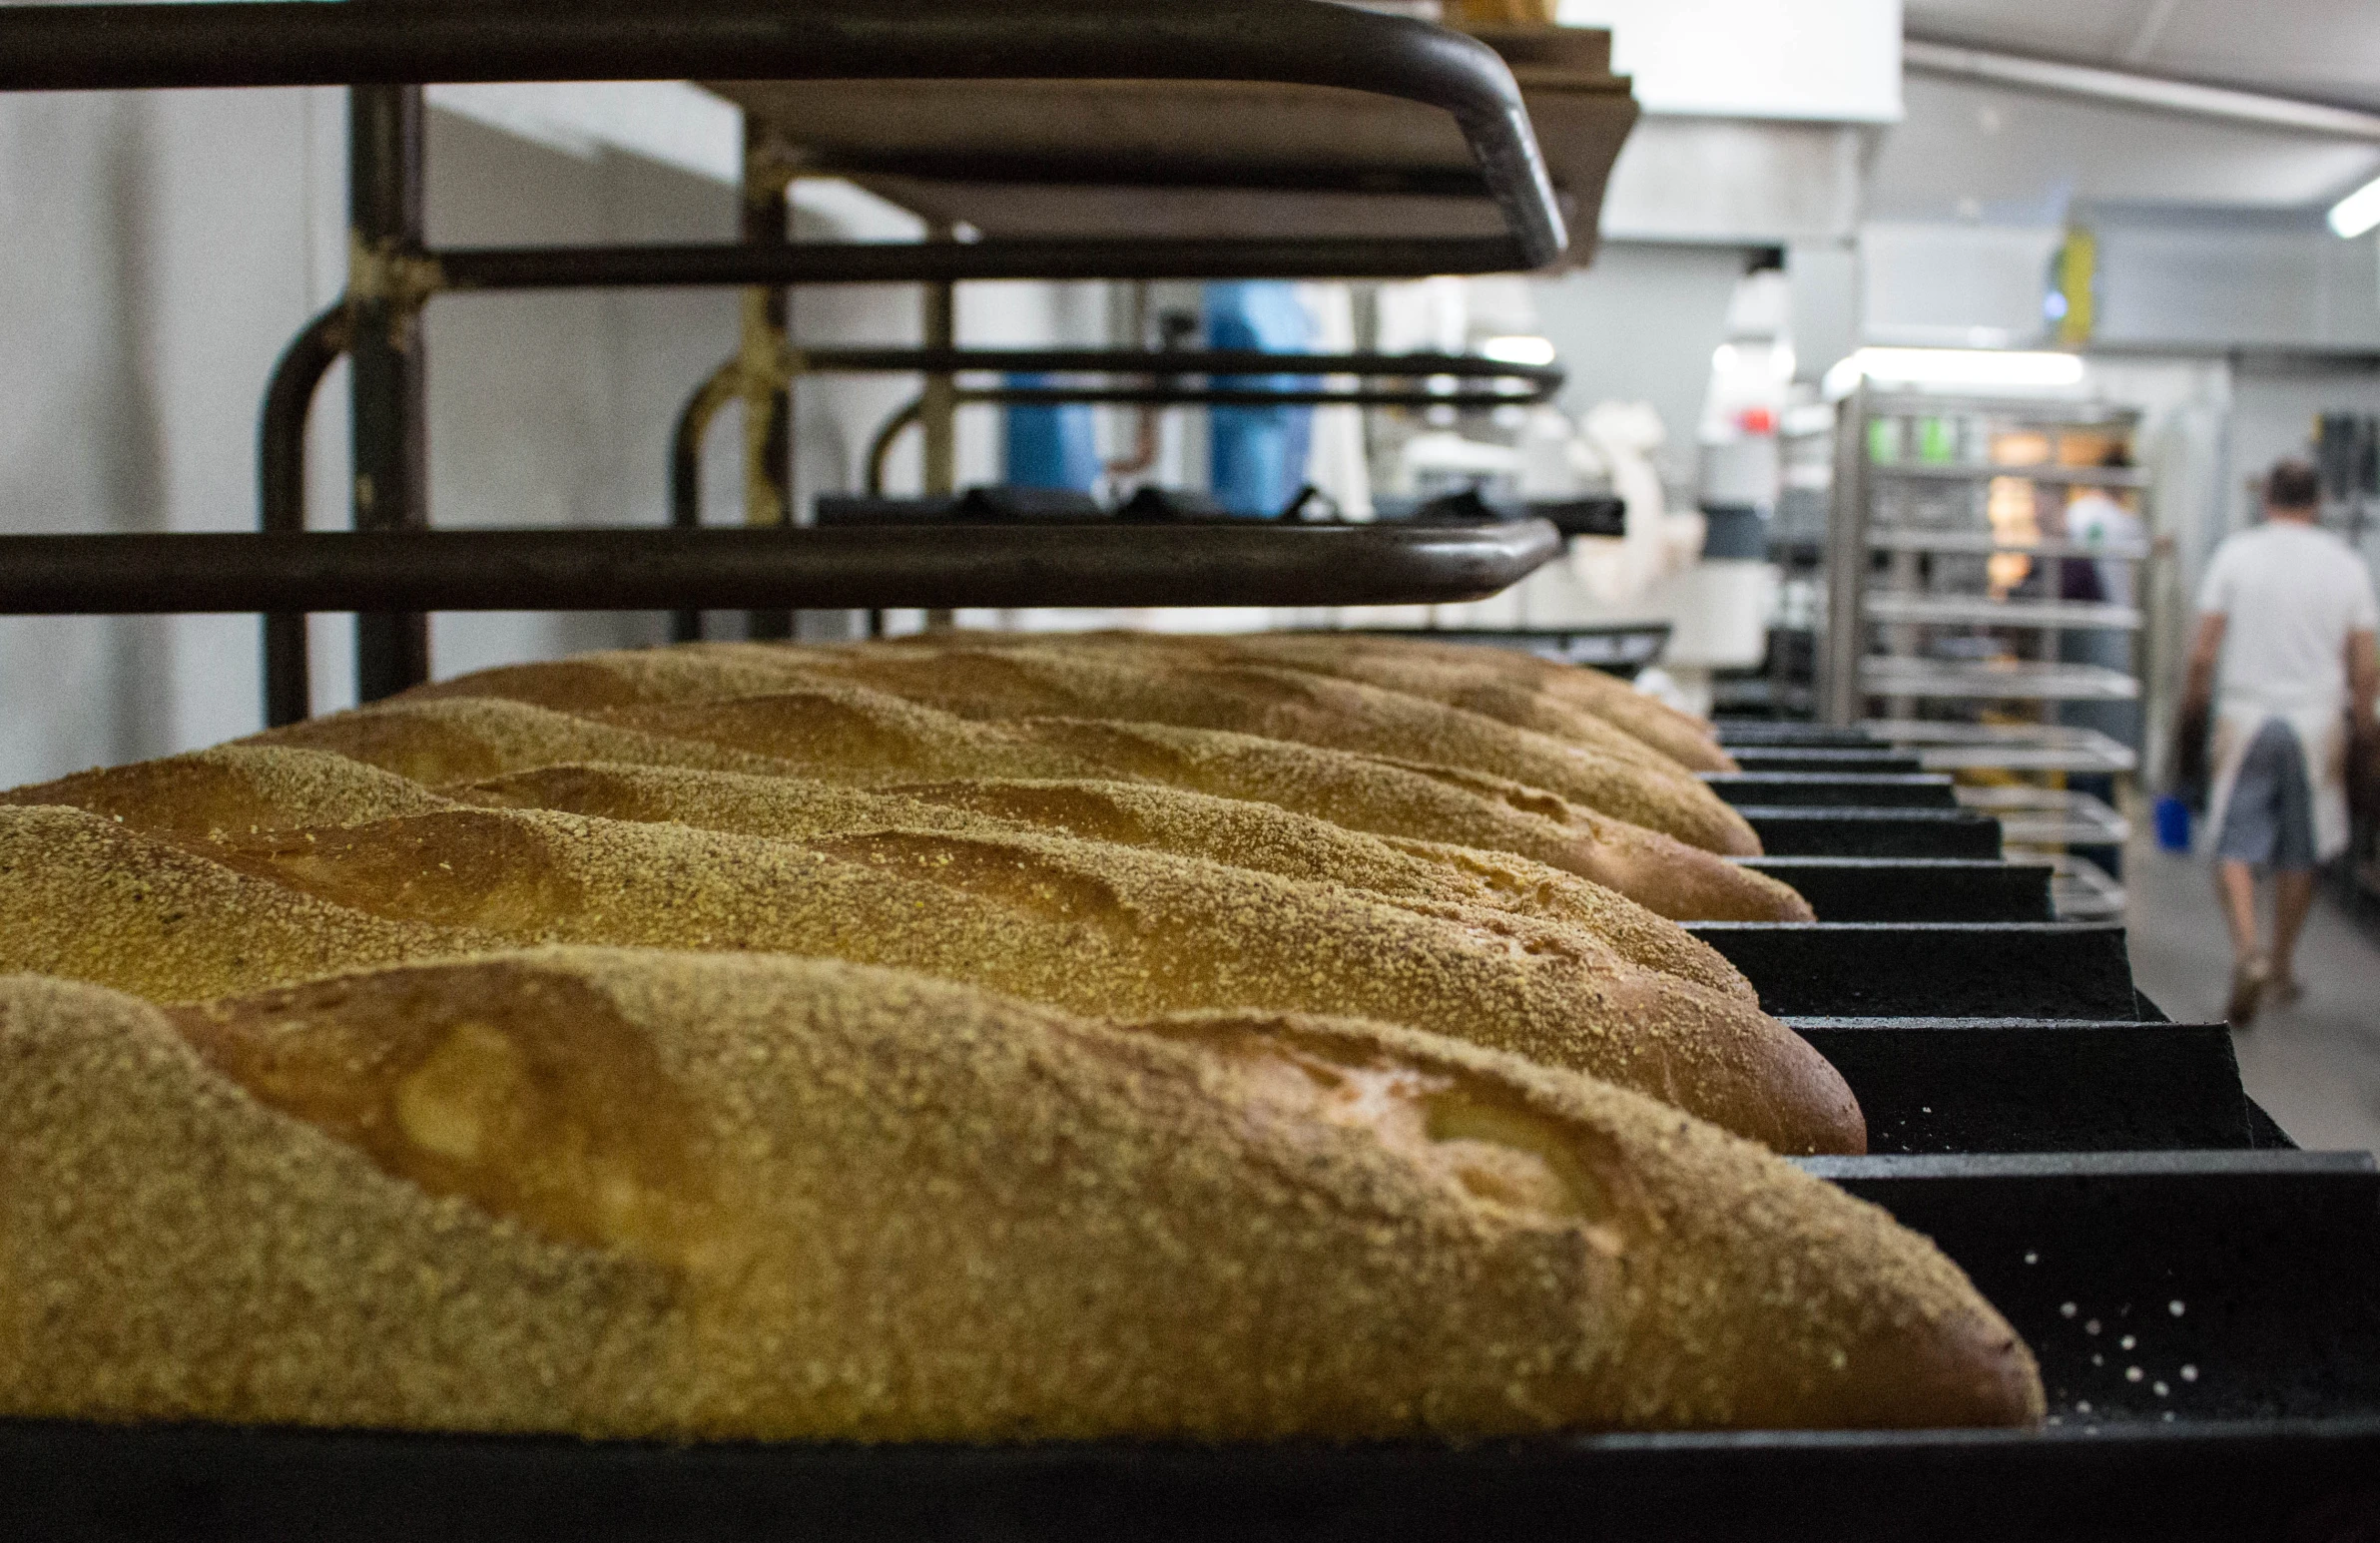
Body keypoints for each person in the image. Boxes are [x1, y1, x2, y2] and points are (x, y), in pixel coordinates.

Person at [2179, 458, 2379, 1026]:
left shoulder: (2236, 555)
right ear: (2317, 503)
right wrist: (2363, 726)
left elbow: (2202, 650)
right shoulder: (2346, 566)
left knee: (2234, 844)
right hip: (2317, 723)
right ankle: (2284, 963)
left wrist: (2193, 708)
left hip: (2245, 717)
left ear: (2267, 497)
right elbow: (2364, 663)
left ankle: (2249, 952)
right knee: (2302, 848)